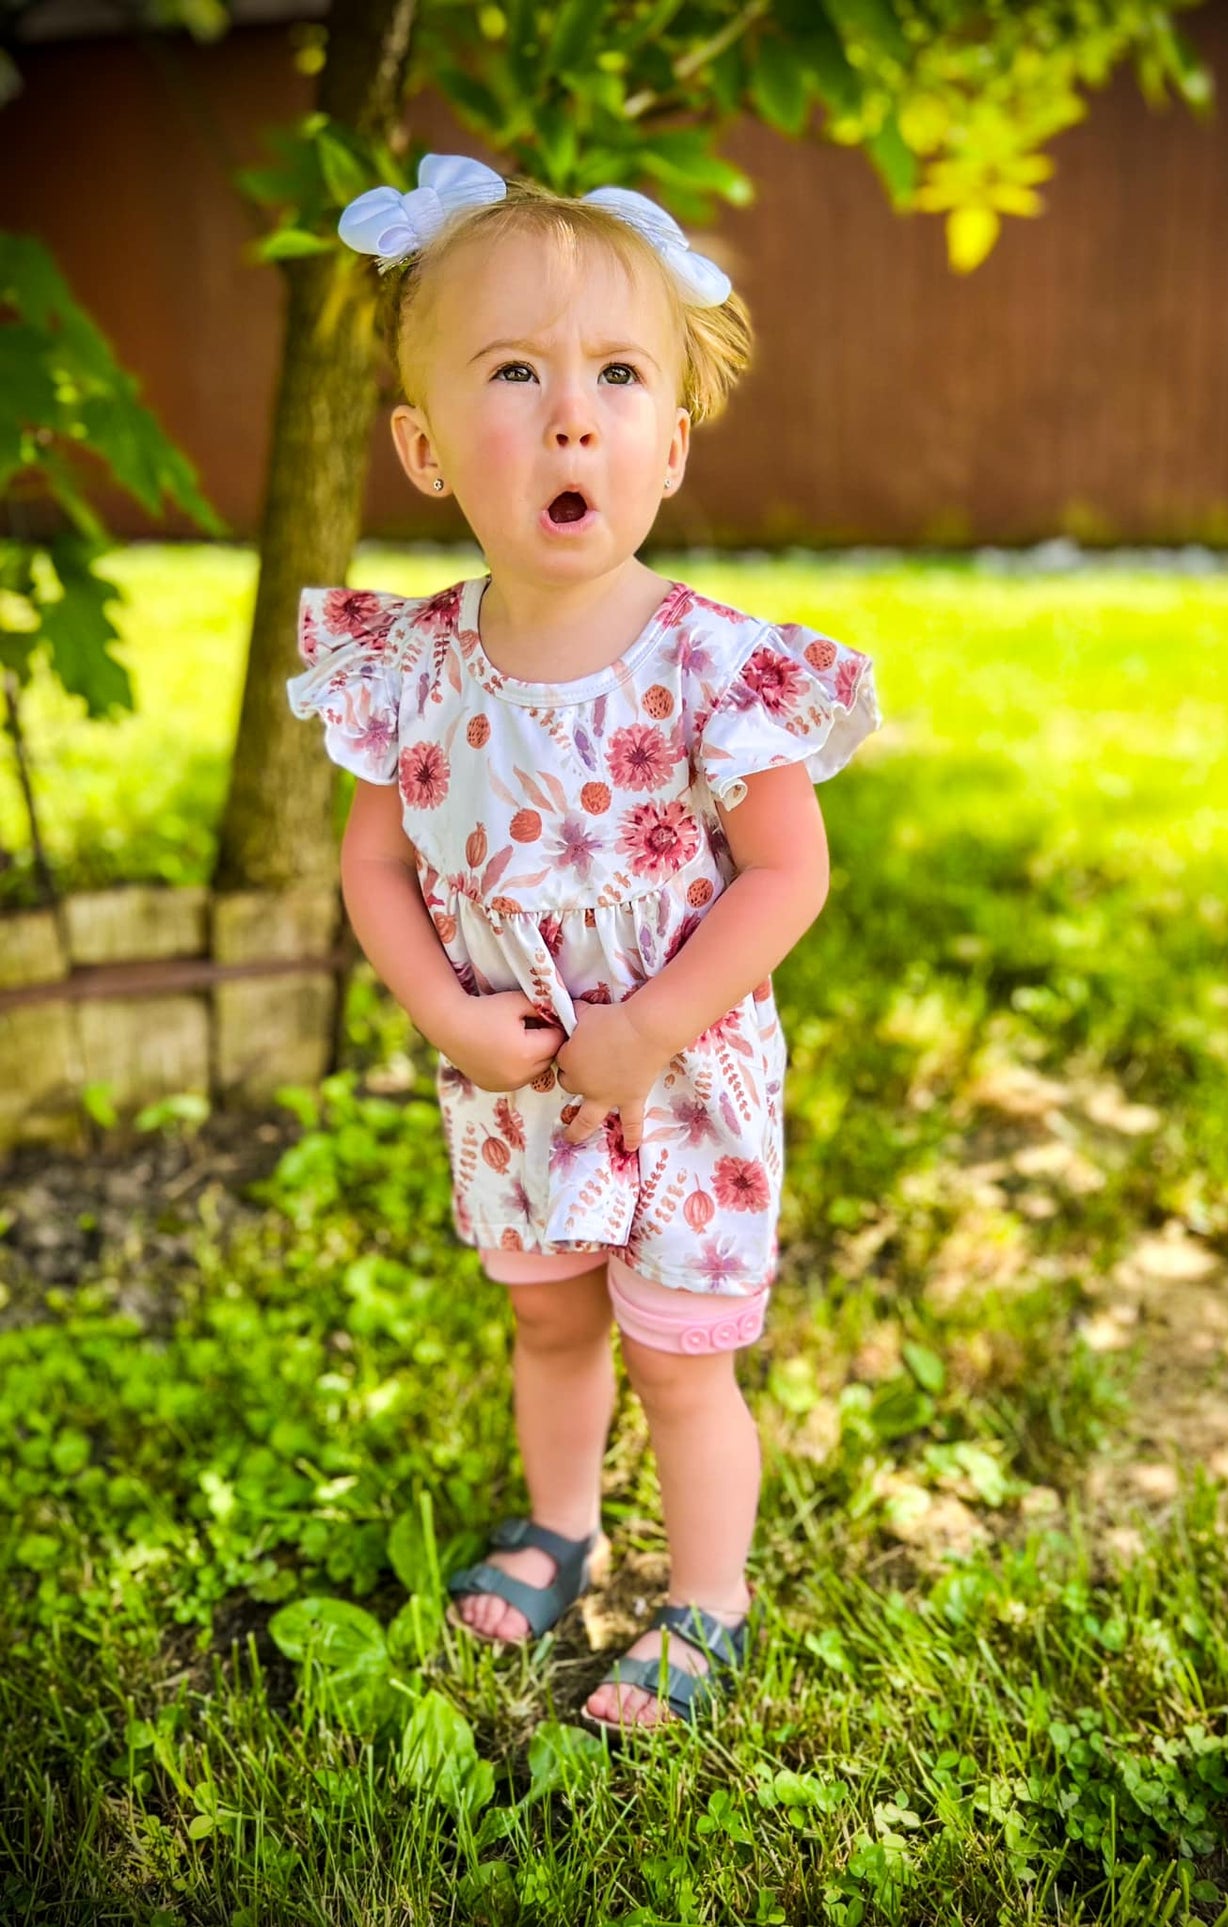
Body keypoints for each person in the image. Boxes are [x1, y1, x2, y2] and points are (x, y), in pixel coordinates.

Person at [286, 154, 883, 1732]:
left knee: (681, 1358)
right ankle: (560, 1525)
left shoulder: (711, 666)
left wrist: (654, 1024)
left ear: (667, 445)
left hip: (675, 1078)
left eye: (616, 377)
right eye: (516, 374)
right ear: (423, 448)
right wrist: (444, 1017)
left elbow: (784, 876)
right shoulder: (408, 663)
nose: (571, 416)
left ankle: (707, 1601)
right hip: (510, 1070)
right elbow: (375, 869)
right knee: (547, 1315)